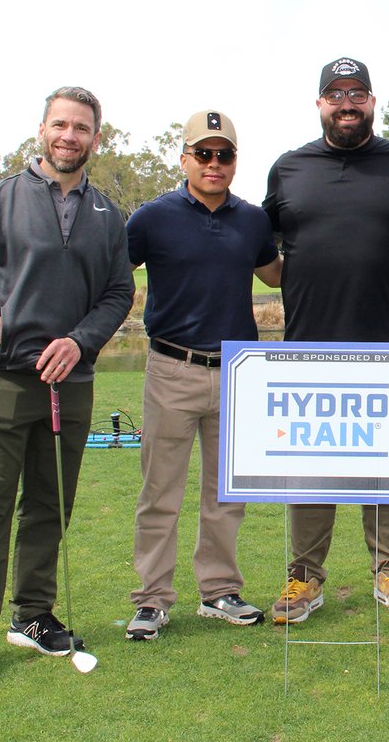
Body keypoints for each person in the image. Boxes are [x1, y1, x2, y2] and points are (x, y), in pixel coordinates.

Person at [0, 87, 135, 683]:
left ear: (97, 137)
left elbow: (119, 293)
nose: (70, 136)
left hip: (72, 379)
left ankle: (34, 613)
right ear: (42, 129)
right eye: (60, 125)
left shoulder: (106, 215)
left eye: (82, 128)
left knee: (49, 503)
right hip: (3, 378)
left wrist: (81, 341)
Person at [263, 57, 389, 624]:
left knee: (385, 466)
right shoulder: (288, 169)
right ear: (319, 104)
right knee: (310, 466)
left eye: (357, 92)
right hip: (309, 346)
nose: (346, 103)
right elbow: (264, 258)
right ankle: (303, 578)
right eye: (335, 94)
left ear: (372, 101)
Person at [124, 110, 282, 640]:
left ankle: (218, 591)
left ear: (236, 161)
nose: (215, 164)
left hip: (237, 372)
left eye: (225, 154)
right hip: (172, 366)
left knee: (226, 495)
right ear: (185, 157)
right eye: (204, 153)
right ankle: (152, 599)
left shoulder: (253, 219)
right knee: (160, 492)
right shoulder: (151, 217)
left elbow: (276, 273)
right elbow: (108, 275)